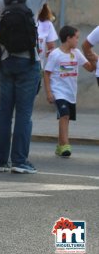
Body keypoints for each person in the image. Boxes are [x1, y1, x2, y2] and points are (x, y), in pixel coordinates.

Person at [0, 0, 63, 174]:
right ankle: (20, 161)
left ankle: (0, 160)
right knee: (23, 113)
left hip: (5, 61)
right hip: (28, 62)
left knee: (4, 112)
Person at [44, 25, 94, 157]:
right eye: (76, 38)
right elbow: (47, 73)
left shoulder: (76, 53)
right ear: (68, 38)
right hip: (58, 92)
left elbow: (90, 68)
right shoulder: (55, 54)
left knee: (65, 118)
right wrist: (49, 92)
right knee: (64, 115)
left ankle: (60, 146)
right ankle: (65, 145)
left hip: (71, 93)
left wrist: (94, 59)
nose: (78, 40)